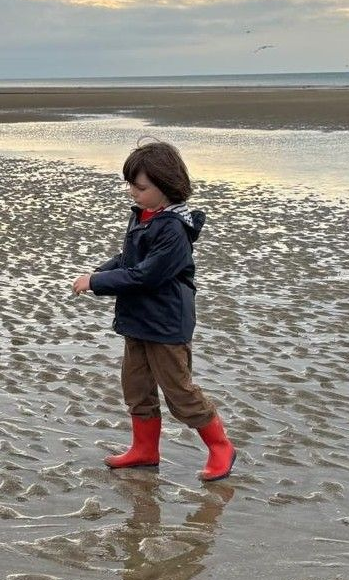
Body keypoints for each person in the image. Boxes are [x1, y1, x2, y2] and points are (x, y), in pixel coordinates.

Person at [71, 140, 236, 482]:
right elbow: (129, 261)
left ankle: (221, 447)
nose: (133, 192)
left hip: (165, 323)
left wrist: (99, 282)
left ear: (167, 187)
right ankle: (145, 450)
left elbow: (147, 275)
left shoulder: (174, 229)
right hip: (137, 320)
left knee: (179, 391)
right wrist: (98, 274)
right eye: (131, 185)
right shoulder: (143, 217)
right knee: (136, 387)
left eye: (141, 187)